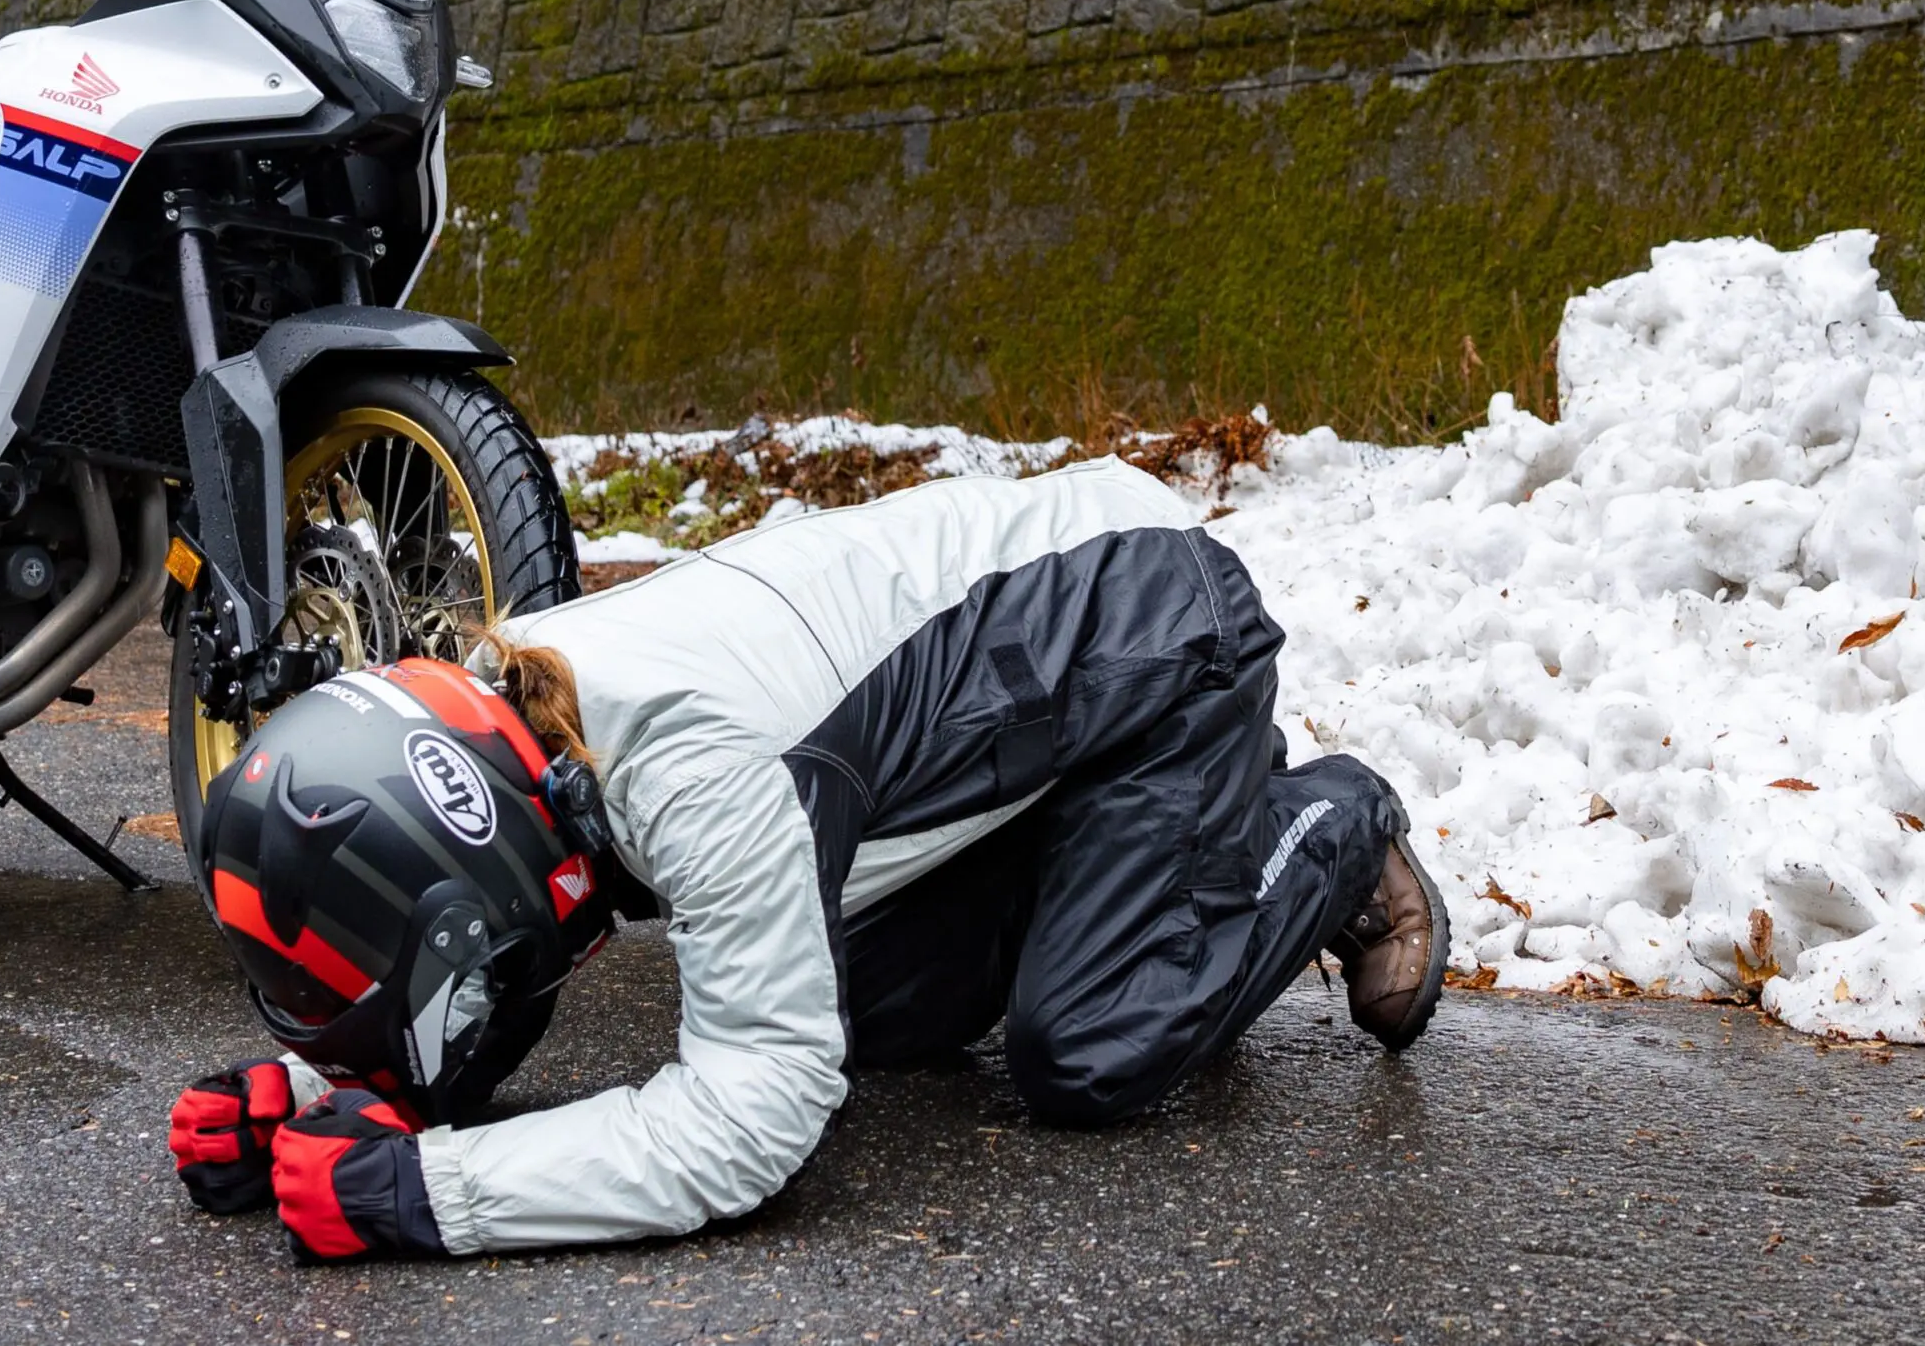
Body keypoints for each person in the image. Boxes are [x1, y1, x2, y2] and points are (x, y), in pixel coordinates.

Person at [167, 458, 1448, 1261]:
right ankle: (1127, 856)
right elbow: (498, 945)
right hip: (1038, 674)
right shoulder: (525, 718)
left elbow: (748, 1122)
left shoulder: (692, 774)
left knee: (1087, 1045)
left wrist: (425, 1194)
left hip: (1166, 634)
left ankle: (1326, 825)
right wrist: (340, 1090)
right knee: (864, 1016)